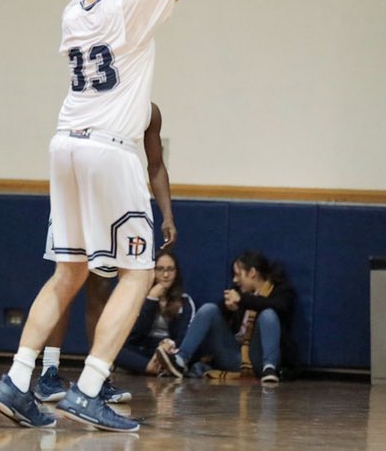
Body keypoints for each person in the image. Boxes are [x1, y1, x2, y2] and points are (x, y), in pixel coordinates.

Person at [0, 0, 220, 432]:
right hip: (110, 151)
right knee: (137, 273)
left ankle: (17, 381)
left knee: (68, 271)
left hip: (65, 144)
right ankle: (90, 387)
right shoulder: (132, 5)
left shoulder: (75, 10)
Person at [34, 101, 178, 403]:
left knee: (100, 289)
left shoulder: (148, 111)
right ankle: (48, 372)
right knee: (66, 283)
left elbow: (155, 164)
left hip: (112, 201)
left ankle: (96, 376)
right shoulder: (92, 96)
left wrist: (167, 214)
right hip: (77, 192)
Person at [155, 250, 296, 385]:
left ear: (252, 273)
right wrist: (228, 309)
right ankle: (180, 360)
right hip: (235, 357)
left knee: (268, 314)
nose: (235, 279)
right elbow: (219, 316)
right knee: (209, 309)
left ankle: (269, 369)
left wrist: (242, 301)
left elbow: (279, 306)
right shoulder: (238, 291)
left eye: (238, 274)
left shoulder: (280, 290)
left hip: (259, 358)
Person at [115, 250, 195, 375]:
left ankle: (160, 367)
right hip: (144, 351)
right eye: (160, 269)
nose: (166, 275)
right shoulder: (141, 297)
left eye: (170, 269)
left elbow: (186, 336)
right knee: (115, 350)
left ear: (176, 272)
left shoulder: (185, 301)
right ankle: (153, 368)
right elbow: (135, 336)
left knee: (180, 355)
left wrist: (169, 344)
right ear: (153, 272)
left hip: (169, 352)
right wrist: (151, 299)